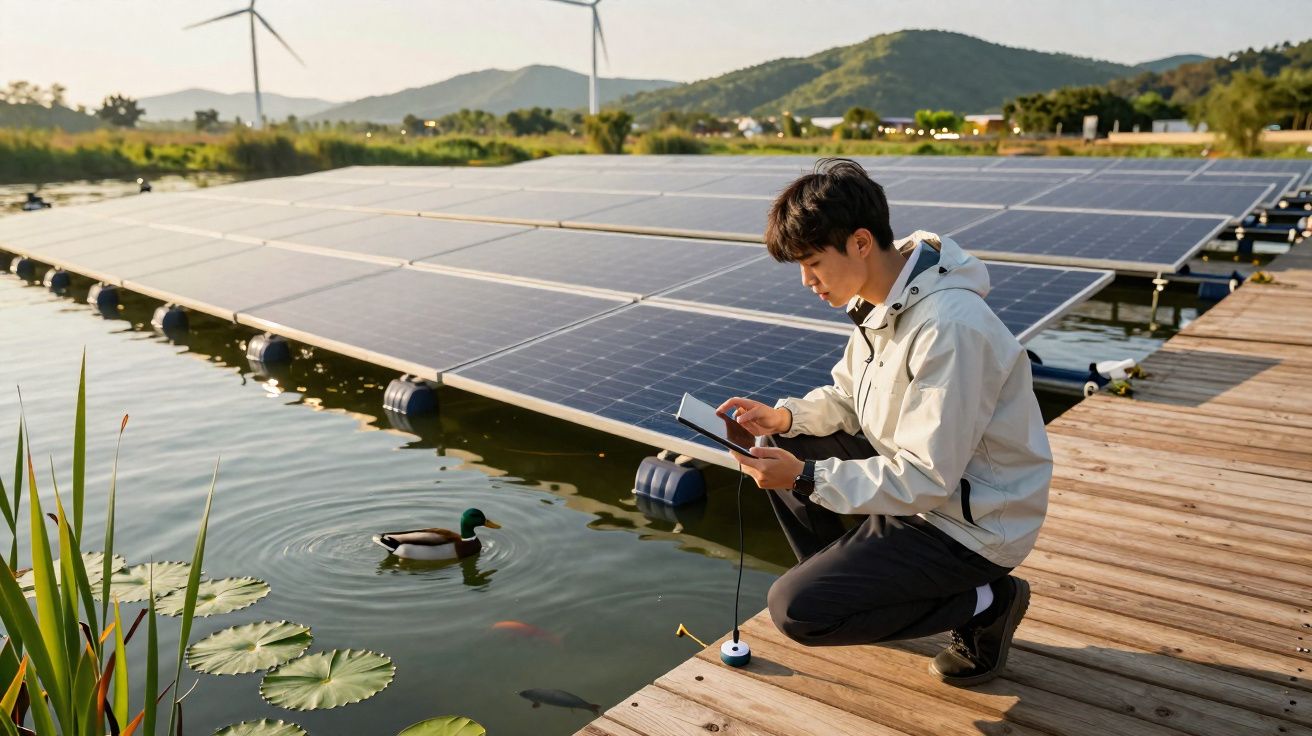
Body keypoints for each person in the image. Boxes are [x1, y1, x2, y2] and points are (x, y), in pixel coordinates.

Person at [717, 158, 1052, 686]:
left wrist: (806, 477)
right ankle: (867, 583)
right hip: (922, 489)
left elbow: (927, 476)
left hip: (972, 523)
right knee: (781, 440)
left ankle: (987, 602)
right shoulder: (882, 303)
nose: (807, 282)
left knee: (797, 610)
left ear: (860, 242)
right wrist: (783, 417)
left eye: (812, 263)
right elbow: (849, 397)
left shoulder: (950, 329)